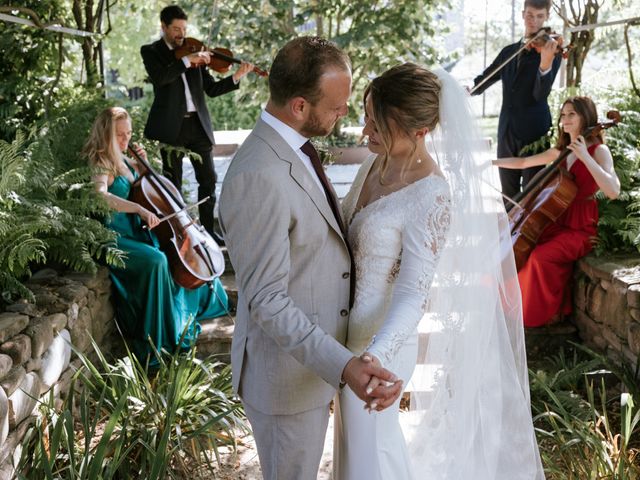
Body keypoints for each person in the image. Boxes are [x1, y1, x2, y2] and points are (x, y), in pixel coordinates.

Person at [335, 63, 545, 479]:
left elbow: (414, 293)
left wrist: (375, 357)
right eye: (366, 118)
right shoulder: (371, 166)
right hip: (346, 344)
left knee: (368, 455)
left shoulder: (431, 193)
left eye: (377, 123)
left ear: (418, 130)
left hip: (383, 349)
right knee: (364, 451)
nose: (365, 131)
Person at [218, 37, 402, 480]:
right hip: (285, 381)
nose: (346, 115)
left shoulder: (296, 148)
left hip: (312, 371)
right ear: (299, 105)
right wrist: (344, 364)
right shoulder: (257, 175)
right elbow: (266, 300)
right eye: (337, 106)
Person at [84, 106, 229, 363]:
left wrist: (145, 165)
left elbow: (156, 192)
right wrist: (137, 208)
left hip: (136, 233)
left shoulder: (127, 162)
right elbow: (100, 197)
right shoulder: (101, 161)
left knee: (171, 256)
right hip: (114, 237)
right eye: (119, 135)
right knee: (157, 261)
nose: (125, 140)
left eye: (128, 133)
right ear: (105, 134)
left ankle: (172, 322)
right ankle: (156, 338)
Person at [494, 96, 620, 327]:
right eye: (563, 115)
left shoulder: (599, 151)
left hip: (580, 228)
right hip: (556, 221)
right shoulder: (560, 152)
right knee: (515, 252)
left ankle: (534, 316)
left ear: (586, 116)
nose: (566, 119)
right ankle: (508, 310)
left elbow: (613, 190)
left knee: (540, 257)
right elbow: (523, 163)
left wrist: (585, 157)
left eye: (572, 114)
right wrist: (491, 163)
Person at [141, 5, 254, 244]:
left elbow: (211, 90)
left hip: (198, 126)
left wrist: (236, 77)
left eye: (183, 28)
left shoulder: (195, 50)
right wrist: (185, 61)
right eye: (175, 28)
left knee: (209, 179)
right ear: (163, 27)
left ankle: (208, 232)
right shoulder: (152, 51)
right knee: (173, 182)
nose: (181, 33)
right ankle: (179, 232)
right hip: (172, 127)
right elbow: (161, 79)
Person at [471, 0, 562, 201]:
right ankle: (509, 233)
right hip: (507, 131)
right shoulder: (509, 52)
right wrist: (469, 90)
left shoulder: (550, 51)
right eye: (530, 15)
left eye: (540, 16)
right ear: (523, 14)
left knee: (531, 194)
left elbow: (540, 95)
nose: (534, 21)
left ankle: (525, 233)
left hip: (535, 132)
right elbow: (485, 79)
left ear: (546, 16)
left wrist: (545, 65)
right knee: (507, 194)